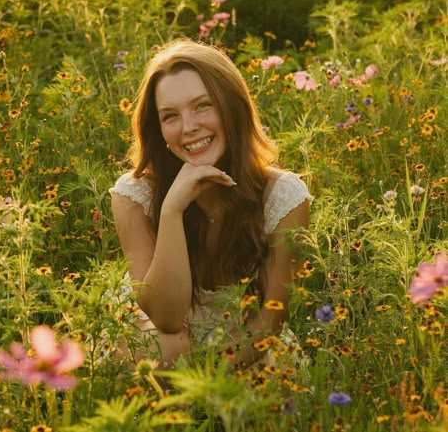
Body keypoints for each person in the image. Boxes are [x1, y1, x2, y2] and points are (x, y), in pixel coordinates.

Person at [109, 38, 312, 368]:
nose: (189, 127)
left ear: (232, 106)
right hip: (157, 337)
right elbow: (167, 318)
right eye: (170, 116)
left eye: (202, 105)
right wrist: (173, 210)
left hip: (246, 345)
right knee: (160, 350)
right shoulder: (134, 196)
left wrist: (200, 377)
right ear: (157, 128)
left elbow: (268, 325)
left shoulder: (283, 197)